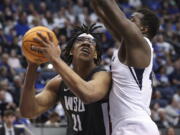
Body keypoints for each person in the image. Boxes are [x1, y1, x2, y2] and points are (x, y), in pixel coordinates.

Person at [20, 24, 111, 135]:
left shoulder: (103, 76)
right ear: (72, 50)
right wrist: (33, 65)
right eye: (80, 40)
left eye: (92, 42)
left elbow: (88, 95)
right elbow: (28, 111)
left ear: (96, 54)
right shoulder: (59, 83)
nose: (86, 43)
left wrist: (55, 59)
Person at [91, 0, 160, 135]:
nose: (128, 22)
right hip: (129, 125)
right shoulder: (129, 46)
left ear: (143, 29)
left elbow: (116, 15)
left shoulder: (142, 44)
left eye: (132, 20)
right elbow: (105, 16)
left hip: (135, 125)